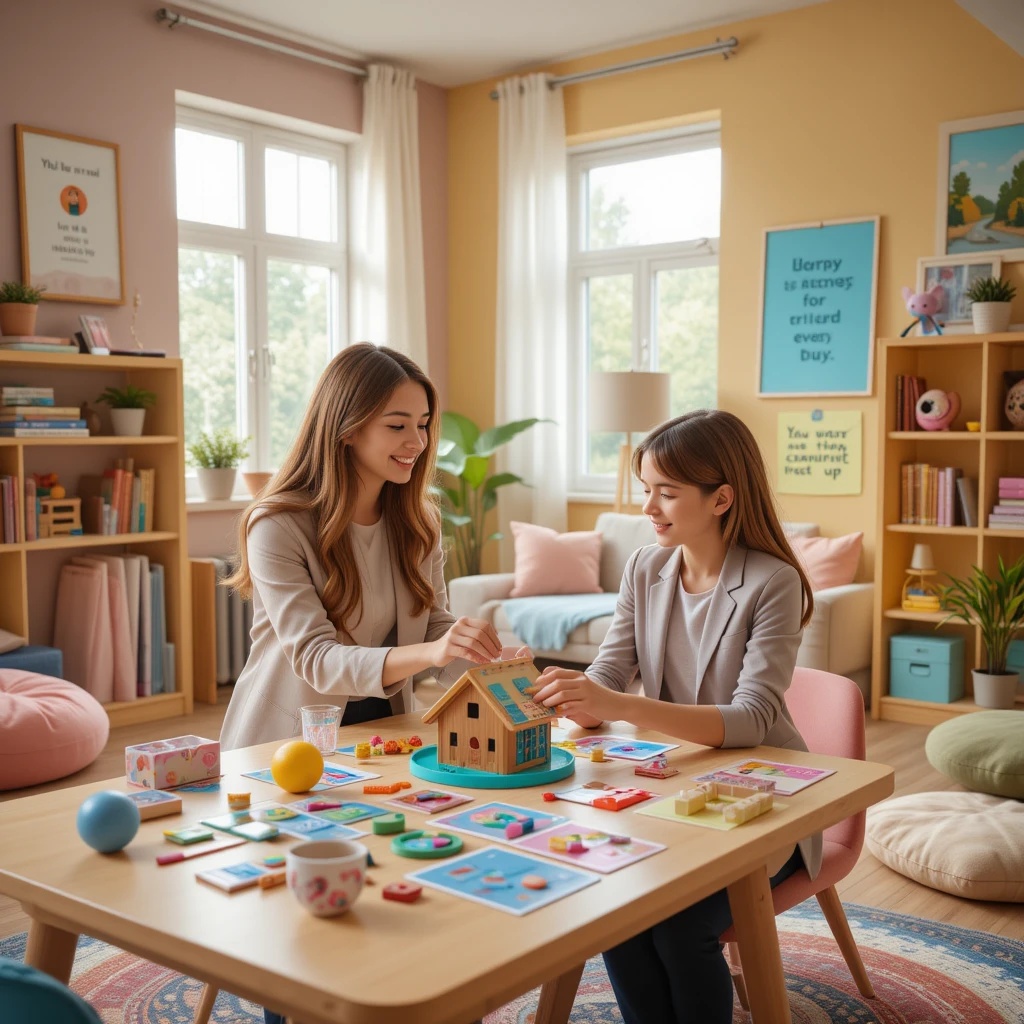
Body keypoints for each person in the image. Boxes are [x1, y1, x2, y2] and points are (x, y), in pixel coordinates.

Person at [530, 408, 822, 1024]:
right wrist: (564, 692)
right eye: (646, 491)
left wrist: (619, 705)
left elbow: (751, 719)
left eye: (667, 492)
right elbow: (609, 672)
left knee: (679, 926)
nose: (649, 507)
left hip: (767, 801)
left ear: (721, 498)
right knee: (620, 910)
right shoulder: (646, 568)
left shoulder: (774, 582)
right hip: (672, 786)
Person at [221, 342, 505, 750]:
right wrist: (432, 652)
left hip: (383, 736)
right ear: (348, 428)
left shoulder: (420, 521)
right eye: (397, 426)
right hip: (287, 746)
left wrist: (495, 667)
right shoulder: (277, 525)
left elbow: (432, 626)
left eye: (423, 424)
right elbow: (316, 658)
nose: (418, 442)